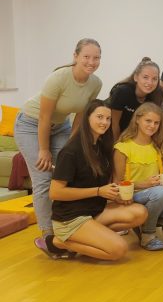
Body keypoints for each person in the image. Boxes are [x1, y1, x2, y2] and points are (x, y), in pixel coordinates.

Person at [36, 100, 147, 260]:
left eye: (108, 118)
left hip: (94, 211)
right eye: (99, 117)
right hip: (70, 218)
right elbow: (55, 193)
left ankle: (87, 239)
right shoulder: (70, 151)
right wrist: (98, 191)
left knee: (140, 213)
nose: (105, 122)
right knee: (119, 250)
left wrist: (115, 195)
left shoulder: (101, 146)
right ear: (87, 118)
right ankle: (57, 242)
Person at [15, 38, 103, 238]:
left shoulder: (95, 83)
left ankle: (68, 224)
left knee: (67, 173)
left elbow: (80, 115)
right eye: (86, 57)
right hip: (31, 124)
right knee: (43, 178)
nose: (91, 62)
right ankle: (48, 234)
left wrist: (72, 146)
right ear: (75, 56)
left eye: (96, 58)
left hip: (61, 126)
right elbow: (44, 118)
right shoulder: (58, 78)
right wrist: (44, 149)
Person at [113, 102, 163, 251]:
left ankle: (141, 223)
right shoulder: (123, 148)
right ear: (137, 119)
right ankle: (148, 235)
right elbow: (117, 183)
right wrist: (144, 184)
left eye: (156, 123)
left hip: (155, 196)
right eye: (148, 121)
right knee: (160, 192)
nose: (152, 126)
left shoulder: (157, 147)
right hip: (132, 196)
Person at [107, 57, 163, 141]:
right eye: (145, 77)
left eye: (154, 79)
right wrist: (117, 145)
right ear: (136, 77)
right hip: (116, 137)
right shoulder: (122, 92)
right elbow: (114, 124)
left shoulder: (158, 95)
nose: (150, 82)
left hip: (136, 139)